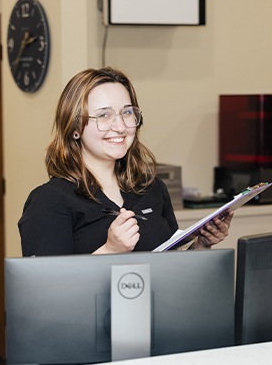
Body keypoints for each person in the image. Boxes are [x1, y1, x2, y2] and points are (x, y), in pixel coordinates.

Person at [18, 67, 233, 256]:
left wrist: (202, 245)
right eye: (104, 115)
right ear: (74, 128)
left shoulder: (151, 188)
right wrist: (109, 251)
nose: (120, 127)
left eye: (127, 113)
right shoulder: (49, 201)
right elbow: (46, 293)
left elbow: (172, 270)